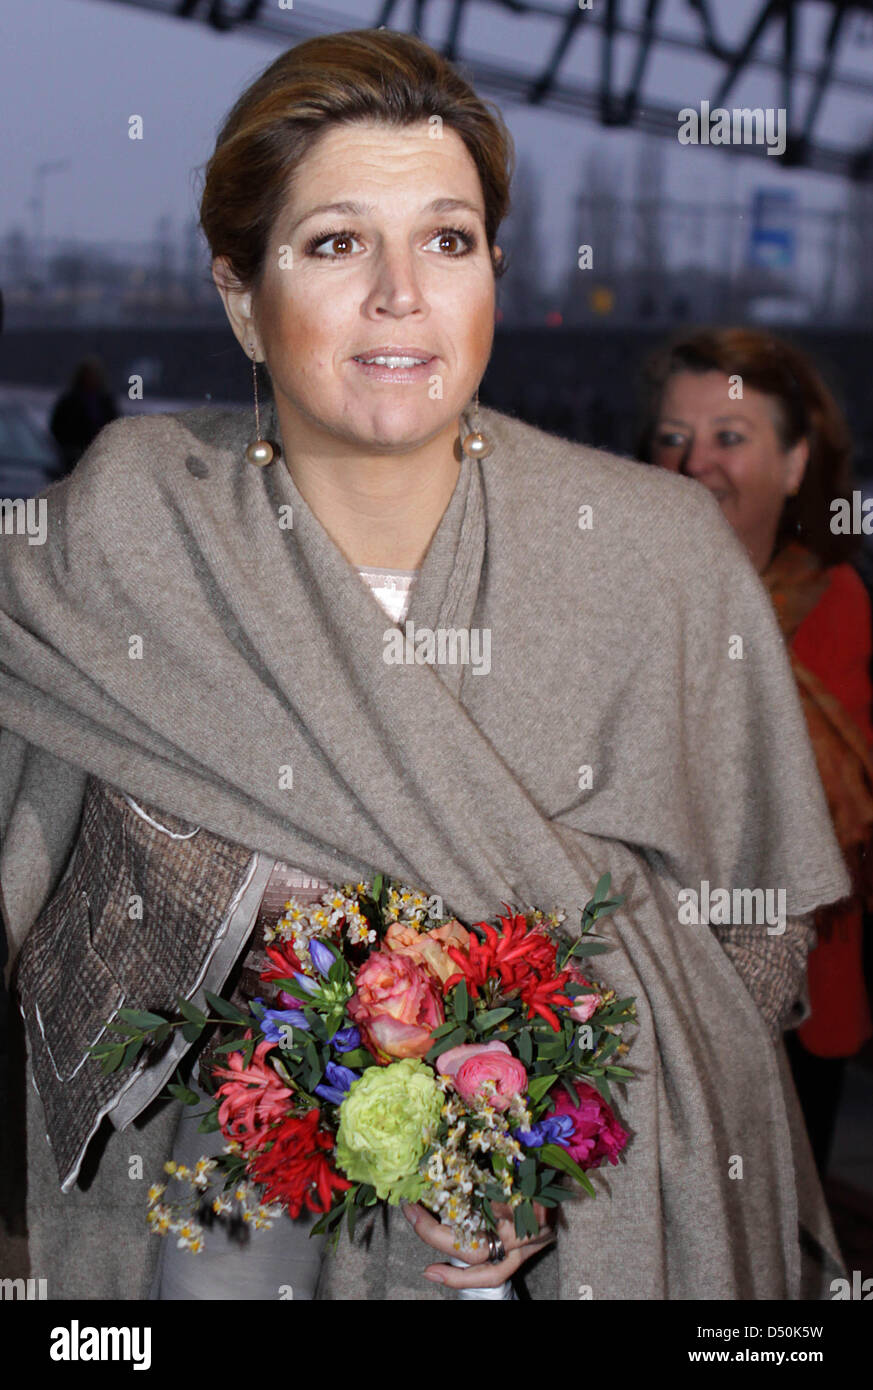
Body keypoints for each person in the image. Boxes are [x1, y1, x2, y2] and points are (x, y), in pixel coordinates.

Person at [0, 31, 853, 1301]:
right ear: (240, 294)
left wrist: (561, 1140)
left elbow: (760, 927)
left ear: (495, 272)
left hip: (588, 1237)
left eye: (448, 240)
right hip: (209, 1233)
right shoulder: (124, 536)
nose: (402, 293)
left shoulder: (653, 556)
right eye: (338, 242)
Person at [639, 327, 873, 1178]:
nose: (695, 462)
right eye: (673, 437)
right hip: (648, 993)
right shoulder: (612, 601)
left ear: (796, 463)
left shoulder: (843, 605)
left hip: (811, 999)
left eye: (730, 438)